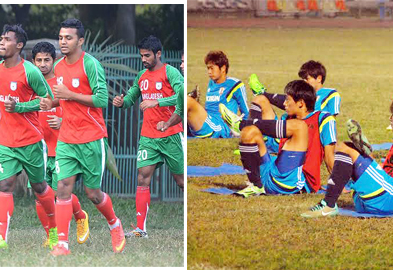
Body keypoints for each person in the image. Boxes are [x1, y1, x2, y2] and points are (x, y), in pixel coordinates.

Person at [39, 18, 125, 256]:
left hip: (91, 137)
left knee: (92, 193)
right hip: (66, 138)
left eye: (68, 38)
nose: (63, 42)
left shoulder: (91, 65)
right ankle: (63, 245)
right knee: (63, 188)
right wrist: (52, 101)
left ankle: (114, 224)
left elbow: (101, 100)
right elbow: (62, 97)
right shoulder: (57, 66)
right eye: (60, 37)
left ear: (80, 40)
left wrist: (69, 94)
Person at [0, 24, 57, 251]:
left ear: (20, 45)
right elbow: (6, 97)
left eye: (7, 39)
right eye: (1, 39)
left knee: (40, 187)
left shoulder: (30, 71)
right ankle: (1, 238)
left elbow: (48, 99)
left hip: (31, 140)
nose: (1, 43)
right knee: (5, 185)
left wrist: (21, 107)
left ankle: (54, 230)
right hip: (5, 140)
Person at [112, 35, 185, 238]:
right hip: (148, 136)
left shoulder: (170, 72)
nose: (143, 59)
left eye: (147, 55)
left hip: (171, 134)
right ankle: (140, 229)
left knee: (181, 181)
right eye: (141, 56)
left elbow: (181, 94)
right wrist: (121, 101)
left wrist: (157, 103)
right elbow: (131, 98)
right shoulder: (141, 76)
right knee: (142, 178)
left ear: (158, 54)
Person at [30, 41, 90, 248]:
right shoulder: (29, 84)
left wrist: (63, 122)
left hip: (60, 148)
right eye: (39, 60)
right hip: (37, 150)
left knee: (57, 193)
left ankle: (80, 216)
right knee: (40, 197)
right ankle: (51, 235)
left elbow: (76, 109)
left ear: (53, 61)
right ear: (33, 62)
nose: (43, 64)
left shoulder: (60, 83)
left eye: (47, 60)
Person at [234, 80, 336, 197]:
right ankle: (255, 185)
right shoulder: (286, 118)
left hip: (294, 181)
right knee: (249, 131)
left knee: (300, 126)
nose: (284, 104)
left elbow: (329, 157)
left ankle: (242, 124)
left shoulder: (323, 118)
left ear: (301, 103)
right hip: (270, 174)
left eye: (287, 100)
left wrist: (338, 185)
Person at [186, 50, 248, 138]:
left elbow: (246, 112)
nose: (209, 72)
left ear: (223, 68)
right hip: (208, 121)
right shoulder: (211, 83)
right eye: (208, 68)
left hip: (220, 127)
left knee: (187, 101)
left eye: (212, 68)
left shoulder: (235, 85)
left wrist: (242, 131)